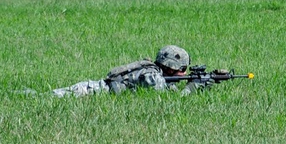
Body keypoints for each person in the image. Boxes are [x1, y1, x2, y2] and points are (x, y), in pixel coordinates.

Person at [52, 45, 201, 97]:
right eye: (182, 69)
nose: (184, 73)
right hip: (87, 92)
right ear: (171, 67)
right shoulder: (152, 77)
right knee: (42, 97)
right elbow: (166, 101)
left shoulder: (155, 72)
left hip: (91, 91)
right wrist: (191, 87)